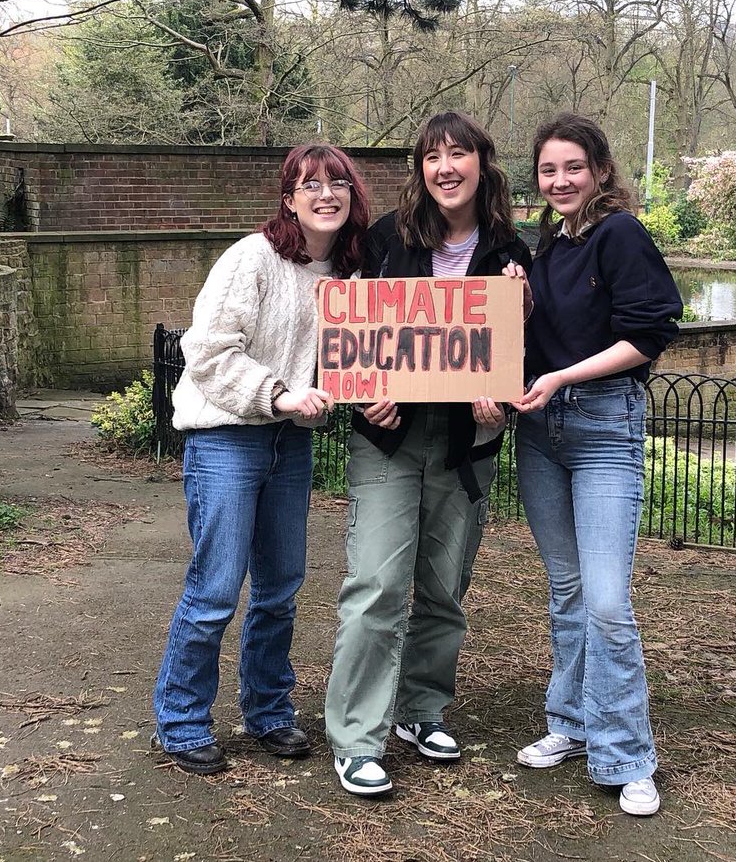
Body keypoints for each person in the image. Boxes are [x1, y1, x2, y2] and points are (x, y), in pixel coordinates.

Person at [325, 111, 532, 797]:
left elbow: (517, 351)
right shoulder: (387, 238)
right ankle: (357, 737)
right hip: (388, 440)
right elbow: (352, 329)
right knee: (377, 586)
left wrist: (499, 393)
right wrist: (363, 394)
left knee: (444, 587)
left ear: (482, 163)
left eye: (459, 154)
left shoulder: (510, 252)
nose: (445, 167)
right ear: (420, 169)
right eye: (432, 155)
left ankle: (420, 709)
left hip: (465, 444)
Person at [152, 145, 370, 775]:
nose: (326, 195)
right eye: (311, 185)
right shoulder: (252, 258)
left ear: (352, 197)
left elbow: (356, 357)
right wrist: (278, 394)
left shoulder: (349, 276)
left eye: (338, 185)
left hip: (290, 443)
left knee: (280, 588)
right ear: (288, 198)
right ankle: (182, 719)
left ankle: (268, 711)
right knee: (217, 586)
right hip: (227, 438)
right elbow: (209, 350)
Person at [505, 113, 683, 816]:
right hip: (543, 431)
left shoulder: (620, 234)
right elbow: (544, 337)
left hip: (603, 424)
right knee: (569, 591)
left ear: (602, 170)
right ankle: (572, 725)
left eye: (572, 168)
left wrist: (561, 379)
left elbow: (648, 332)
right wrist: (519, 303)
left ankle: (628, 754)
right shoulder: (550, 244)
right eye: (548, 171)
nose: (560, 181)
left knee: (608, 600)